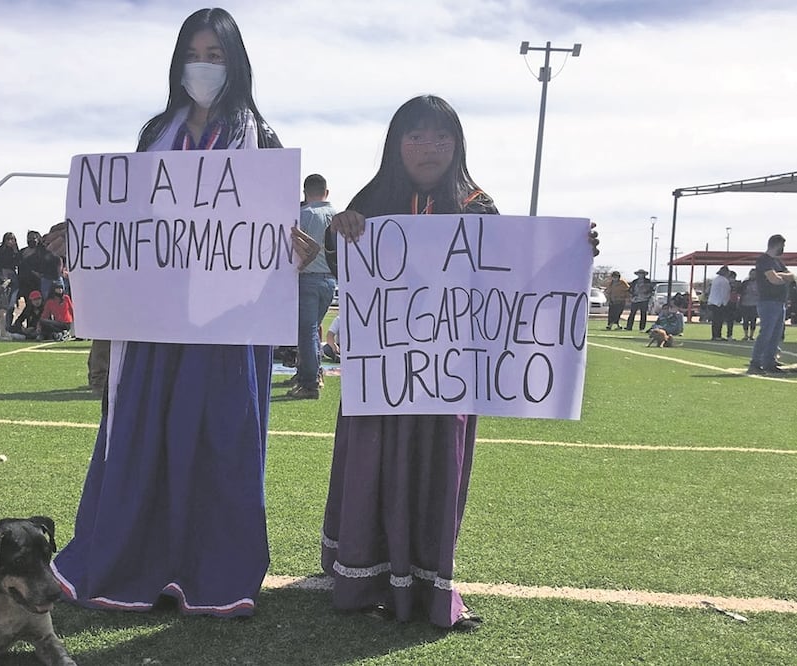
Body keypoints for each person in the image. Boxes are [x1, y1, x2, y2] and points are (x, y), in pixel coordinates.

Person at [321, 95, 598, 631]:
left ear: (458, 144)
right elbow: (348, 273)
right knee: (372, 468)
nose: (429, 148)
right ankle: (364, 580)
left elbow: (515, 278)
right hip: (384, 374)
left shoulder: (478, 206)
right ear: (396, 143)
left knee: (436, 473)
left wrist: (572, 252)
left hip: (449, 374)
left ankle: (430, 584)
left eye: (441, 137)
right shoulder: (371, 200)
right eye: (416, 136)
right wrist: (341, 233)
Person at [50, 7, 282, 618]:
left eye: (215, 56)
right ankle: (133, 558)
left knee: (221, 439)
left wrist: (295, 247)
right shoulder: (156, 132)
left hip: (228, 326)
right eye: (194, 55)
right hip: (154, 319)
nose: (203, 67)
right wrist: (82, 235)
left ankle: (215, 569)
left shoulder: (261, 138)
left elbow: (266, 232)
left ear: (235, 64)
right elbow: (126, 217)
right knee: (144, 433)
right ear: (178, 63)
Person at [287, 174, 338, 399]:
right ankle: (312, 374)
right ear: (326, 192)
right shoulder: (337, 215)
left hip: (307, 278)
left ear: (305, 192)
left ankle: (309, 383)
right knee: (313, 329)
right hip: (330, 280)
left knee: (306, 332)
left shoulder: (302, 215)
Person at [748, 234, 795, 374]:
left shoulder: (778, 262)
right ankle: (755, 363)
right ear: (777, 245)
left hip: (780, 302)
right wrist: (783, 277)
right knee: (766, 333)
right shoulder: (764, 260)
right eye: (783, 246)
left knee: (776, 335)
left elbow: (792, 276)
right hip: (768, 302)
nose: (783, 249)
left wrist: (781, 276)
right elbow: (774, 279)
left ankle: (769, 362)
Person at [0, 232, 21, 335]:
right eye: (8, 239)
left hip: (13, 279)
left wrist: (15, 251)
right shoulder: (0, 250)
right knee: (2, 307)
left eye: (12, 239)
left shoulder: (16, 251)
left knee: (11, 305)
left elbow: (19, 263)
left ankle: (7, 327)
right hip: (2, 278)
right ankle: (0, 329)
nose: (10, 241)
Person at [707, 265, 731, 341]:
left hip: (712, 302)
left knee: (715, 320)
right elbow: (725, 293)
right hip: (719, 303)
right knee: (719, 320)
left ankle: (715, 335)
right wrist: (725, 303)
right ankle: (718, 335)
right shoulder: (724, 281)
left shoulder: (715, 279)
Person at [739, 268, 760, 341]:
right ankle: (745, 335)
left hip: (755, 304)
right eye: (751, 274)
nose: (753, 275)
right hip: (745, 303)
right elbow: (740, 291)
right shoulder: (745, 283)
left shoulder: (759, 283)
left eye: (754, 274)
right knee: (745, 320)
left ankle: (751, 335)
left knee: (753, 320)